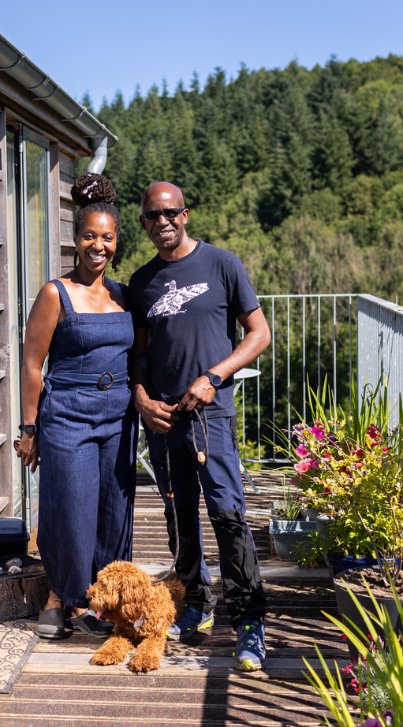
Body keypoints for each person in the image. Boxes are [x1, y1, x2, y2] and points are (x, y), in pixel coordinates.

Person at [128, 181, 271, 671]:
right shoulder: (142, 281)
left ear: (185, 214)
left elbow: (260, 333)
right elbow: (140, 356)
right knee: (178, 516)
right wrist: (141, 397)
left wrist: (214, 376)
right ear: (143, 222)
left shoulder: (222, 264)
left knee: (228, 515)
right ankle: (196, 605)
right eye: (152, 215)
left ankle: (250, 621)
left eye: (171, 212)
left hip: (211, 414)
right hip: (164, 420)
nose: (163, 221)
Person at [16, 173, 136, 640]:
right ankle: (60, 596)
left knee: (114, 510)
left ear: (115, 242)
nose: (98, 246)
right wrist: (30, 429)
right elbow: (31, 363)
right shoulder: (55, 293)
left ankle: (101, 600)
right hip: (68, 412)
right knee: (70, 508)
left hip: (119, 415)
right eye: (90, 236)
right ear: (75, 238)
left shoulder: (122, 295)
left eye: (107, 238)